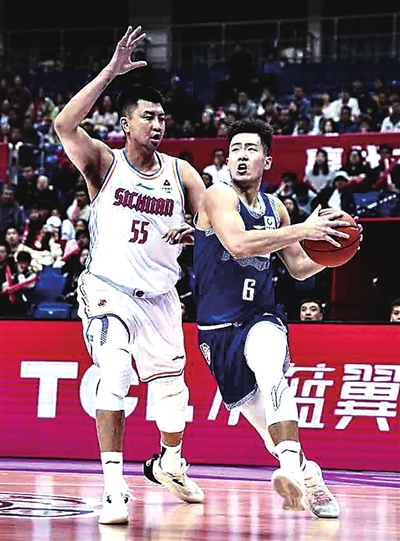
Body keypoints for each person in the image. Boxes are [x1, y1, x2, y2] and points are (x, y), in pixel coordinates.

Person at [54, 25, 205, 525]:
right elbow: (63, 124)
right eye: (148, 116)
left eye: (162, 118)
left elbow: (214, 222)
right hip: (109, 290)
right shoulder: (104, 162)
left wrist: (197, 230)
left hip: (161, 297)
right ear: (126, 123)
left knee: (173, 395)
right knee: (116, 371)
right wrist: (110, 71)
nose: (158, 125)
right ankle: (114, 487)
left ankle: (170, 463)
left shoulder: (181, 173)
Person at [193, 118, 362, 518]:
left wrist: (338, 253)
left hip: (260, 316)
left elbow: (299, 267)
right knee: (266, 427)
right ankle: (309, 475)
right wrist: (305, 228)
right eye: (234, 149)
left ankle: (288, 469)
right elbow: (238, 244)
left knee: (271, 371)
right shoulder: (218, 196)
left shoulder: (276, 208)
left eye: (250, 149)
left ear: (266, 161)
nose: (241, 156)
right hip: (217, 331)